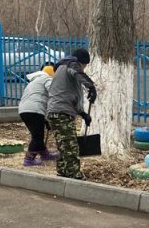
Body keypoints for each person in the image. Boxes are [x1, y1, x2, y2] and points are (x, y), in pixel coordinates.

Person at [46, 48, 97, 180]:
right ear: (81, 62)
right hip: (61, 113)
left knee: (64, 145)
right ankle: (75, 175)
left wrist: (83, 114)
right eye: (85, 65)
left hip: (55, 112)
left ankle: (63, 171)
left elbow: (67, 97)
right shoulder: (71, 65)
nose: (84, 68)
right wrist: (91, 87)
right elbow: (78, 74)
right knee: (71, 146)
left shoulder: (62, 69)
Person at [18, 65, 58, 167]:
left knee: (37, 133)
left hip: (24, 110)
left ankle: (45, 154)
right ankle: (29, 160)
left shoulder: (34, 81)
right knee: (37, 137)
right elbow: (53, 92)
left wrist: (46, 120)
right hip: (35, 110)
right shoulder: (47, 79)